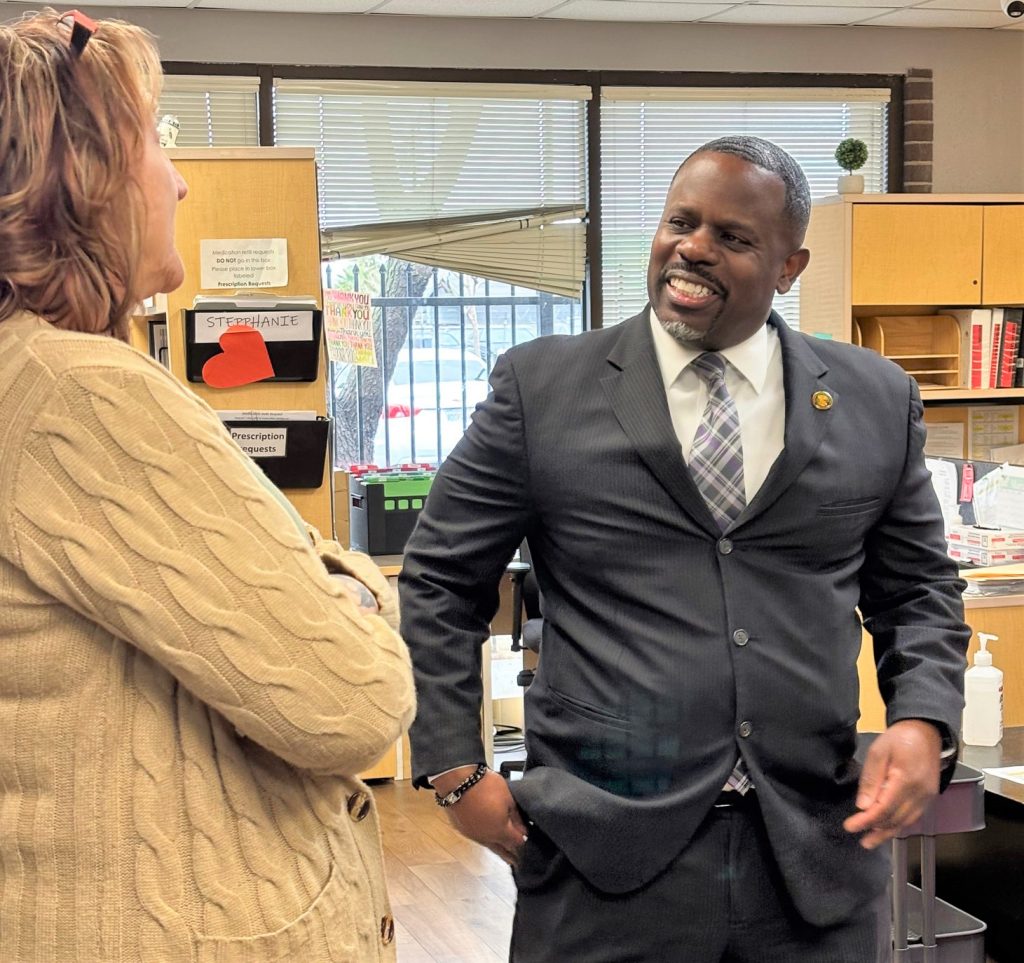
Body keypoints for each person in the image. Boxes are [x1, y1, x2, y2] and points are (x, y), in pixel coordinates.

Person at [399, 135, 970, 962]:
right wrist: (453, 768)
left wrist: (924, 719)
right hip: (602, 857)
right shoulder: (542, 390)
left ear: (789, 266)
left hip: (812, 857)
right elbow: (441, 583)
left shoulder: (875, 399)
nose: (693, 248)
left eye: (733, 238)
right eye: (680, 222)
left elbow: (917, 588)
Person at [0, 10, 414, 962]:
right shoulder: (84, 395)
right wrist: (349, 577)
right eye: (155, 140)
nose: (180, 177)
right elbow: (354, 699)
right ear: (85, 178)